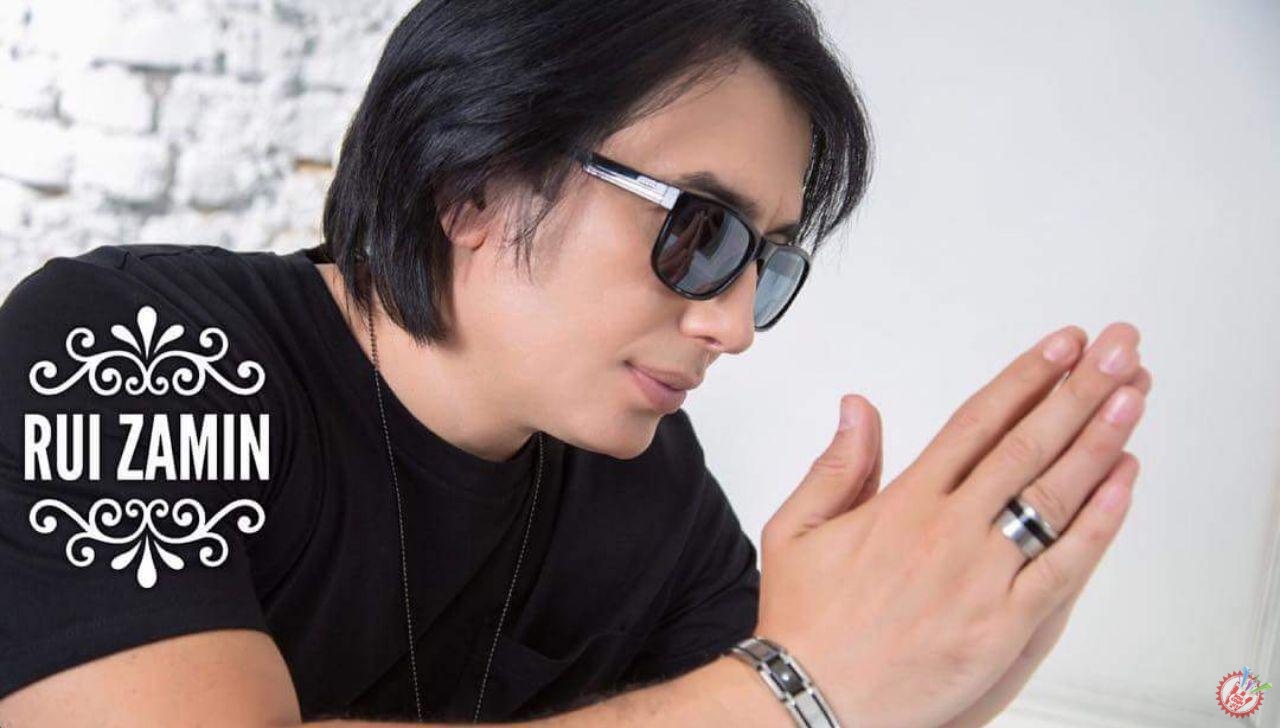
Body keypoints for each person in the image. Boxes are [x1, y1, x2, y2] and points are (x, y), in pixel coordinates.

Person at [0, 1, 1153, 726]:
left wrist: (942, 663)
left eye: (766, 264)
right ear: (472, 184)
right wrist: (794, 683)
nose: (735, 325)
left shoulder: (650, 486)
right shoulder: (130, 354)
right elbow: (771, 696)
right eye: (699, 233)